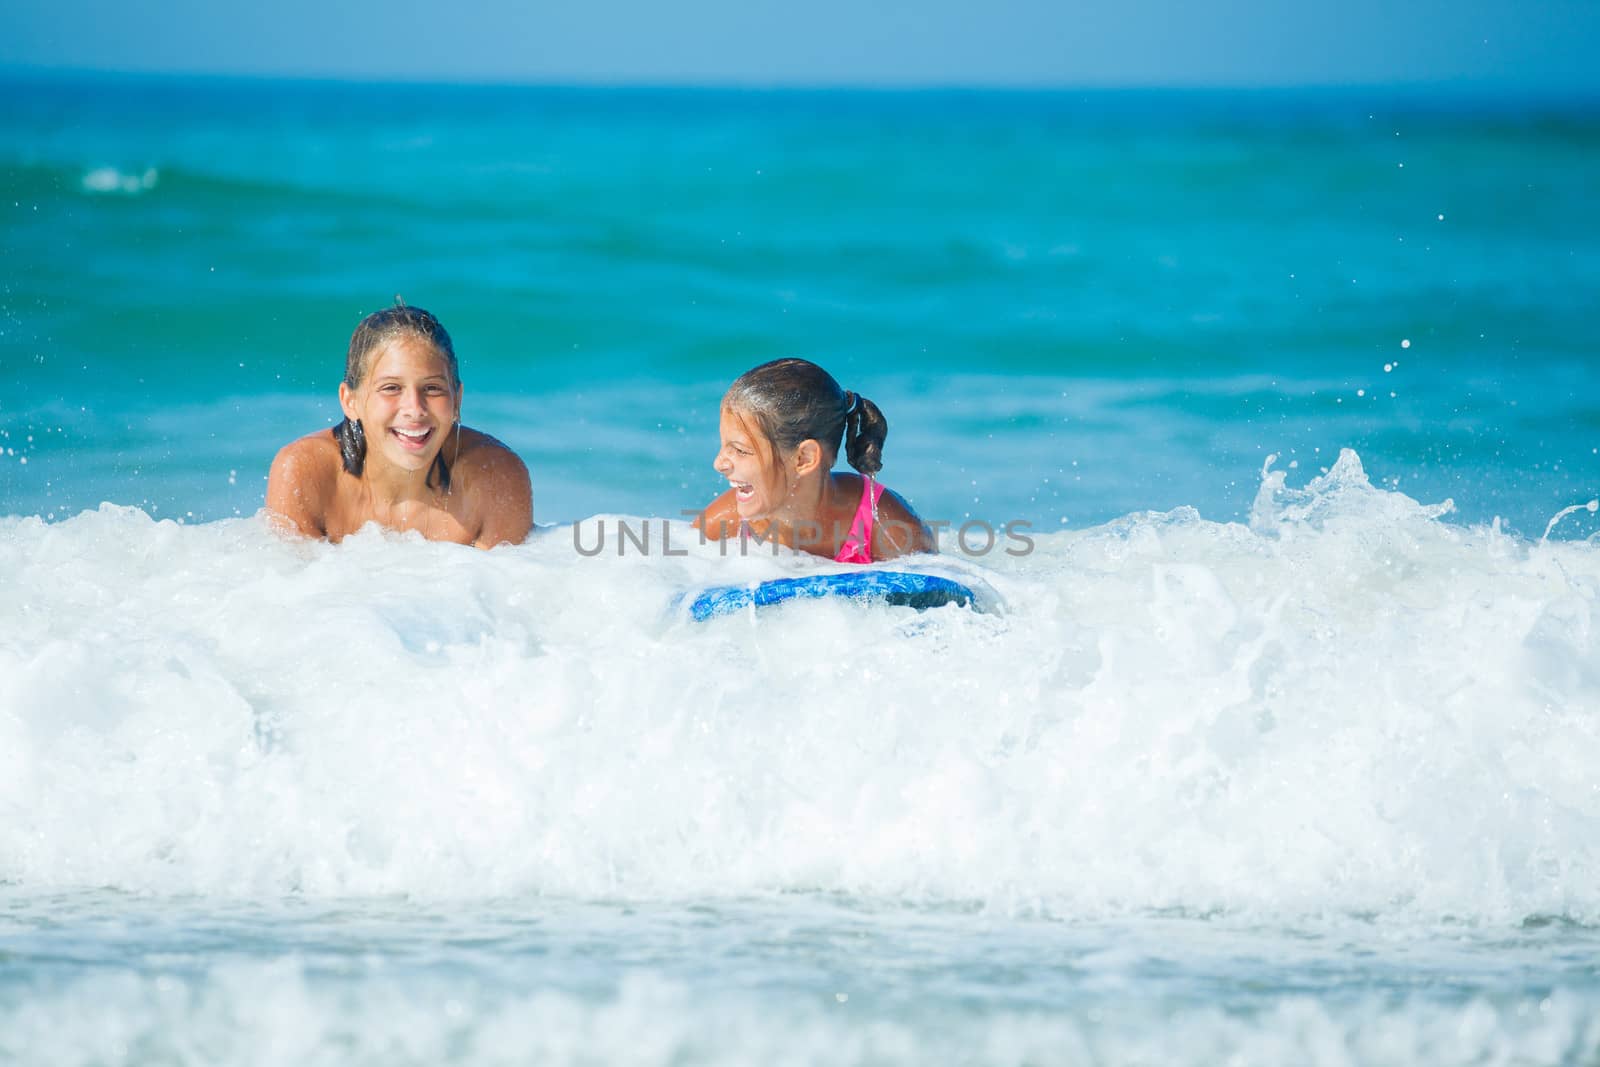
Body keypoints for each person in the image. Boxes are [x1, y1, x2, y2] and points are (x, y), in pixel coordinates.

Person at [266, 302, 531, 547]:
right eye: (391, 388)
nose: (415, 409)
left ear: (457, 399)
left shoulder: (495, 479)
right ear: (350, 401)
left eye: (432, 388)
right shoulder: (305, 474)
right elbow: (292, 592)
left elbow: (500, 595)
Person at [695, 358, 934, 561]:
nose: (719, 463)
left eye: (740, 450)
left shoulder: (887, 526)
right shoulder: (725, 525)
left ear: (804, 458)